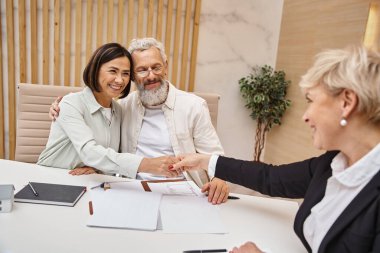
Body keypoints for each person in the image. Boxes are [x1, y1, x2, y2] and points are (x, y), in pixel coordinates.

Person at [172, 45, 380, 253]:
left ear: (347, 102)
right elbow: (271, 177)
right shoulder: (331, 162)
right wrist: (206, 161)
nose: (305, 116)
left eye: (311, 101)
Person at [50, 38, 230, 204]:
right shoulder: (123, 106)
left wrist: (220, 178)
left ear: (166, 66)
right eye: (142, 70)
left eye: (156, 67)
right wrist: (62, 106)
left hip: (184, 192)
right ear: (134, 77)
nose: (150, 75)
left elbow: (214, 155)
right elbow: (97, 143)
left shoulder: (194, 106)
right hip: (132, 190)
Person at [38, 43, 178, 178]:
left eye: (125, 73)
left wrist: (96, 167)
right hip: (51, 178)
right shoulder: (70, 103)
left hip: (88, 182)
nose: (119, 80)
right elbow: (89, 152)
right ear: (96, 69)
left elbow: (104, 156)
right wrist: (147, 164)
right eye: (113, 71)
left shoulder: (119, 109)